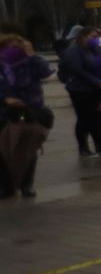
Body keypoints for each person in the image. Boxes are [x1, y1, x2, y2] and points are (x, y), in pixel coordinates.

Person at [0, 33, 54, 198]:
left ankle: (26, 185)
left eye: (20, 46)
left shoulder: (30, 62)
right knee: (3, 151)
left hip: (30, 110)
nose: (17, 50)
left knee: (29, 150)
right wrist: (4, 98)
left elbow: (46, 73)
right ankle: (6, 187)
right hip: (3, 112)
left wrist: (33, 56)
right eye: (13, 47)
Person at [59, 24, 101, 159]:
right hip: (81, 90)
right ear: (82, 37)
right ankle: (83, 148)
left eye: (97, 37)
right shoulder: (74, 51)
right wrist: (99, 83)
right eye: (93, 37)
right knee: (85, 119)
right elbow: (78, 71)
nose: (96, 40)